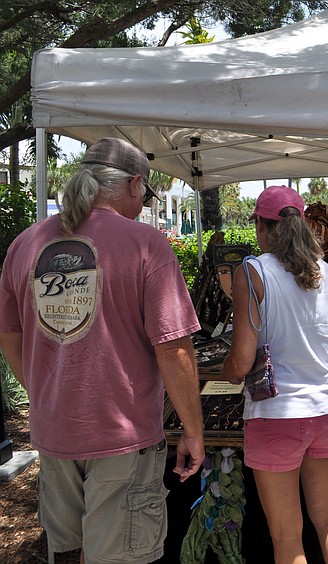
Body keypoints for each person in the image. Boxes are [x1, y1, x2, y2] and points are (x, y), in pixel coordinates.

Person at [0, 137, 205, 563]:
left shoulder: (24, 244)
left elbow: (10, 337)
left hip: (54, 435)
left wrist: (47, 392)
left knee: (69, 552)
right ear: (134, 184)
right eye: (145, 195)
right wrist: (193, 431)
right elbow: (173, 348)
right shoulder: (146, 244)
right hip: (123, 440)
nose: (143, 205)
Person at [220, 185, 328, 564]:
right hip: (327, 410)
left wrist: (227, 370)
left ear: (261, 227)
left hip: (277, 414)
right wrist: (311, 354)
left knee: (286, 535)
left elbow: (241, 361)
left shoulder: (252, 271)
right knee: (327, 516)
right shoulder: (325, 271)